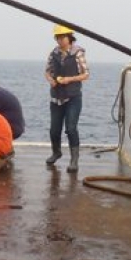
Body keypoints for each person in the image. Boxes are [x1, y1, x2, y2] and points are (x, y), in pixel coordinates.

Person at [44, 24, 89, 173]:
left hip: (73, 97)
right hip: (56, 98)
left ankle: (74, 160)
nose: (60, 40)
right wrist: (51, 80)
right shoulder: (53, 53)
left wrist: (70, 79)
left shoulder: (78, 53)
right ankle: (56, 152)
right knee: (54, 130)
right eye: (58, 38)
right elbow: (47, 72)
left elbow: (86, 74)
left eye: (62, 37)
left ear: (69, 37)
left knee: (71, 128)